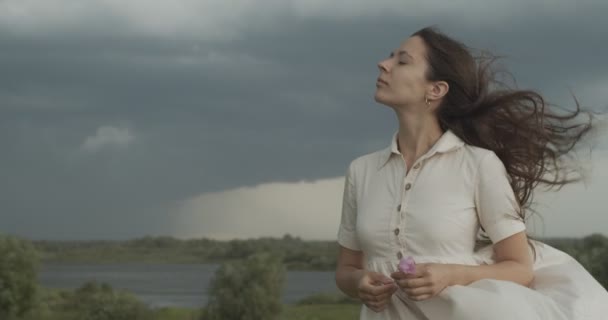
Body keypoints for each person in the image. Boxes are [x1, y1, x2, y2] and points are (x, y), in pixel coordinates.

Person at [334, 26, 608, 319]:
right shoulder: (361, 171)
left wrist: (450, 275)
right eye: (390, 57)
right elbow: (346, 269)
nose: (383, 64)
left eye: (402, 61)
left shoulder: (479, 164)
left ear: (435, 89)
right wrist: (358, 282)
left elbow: (520, 269)